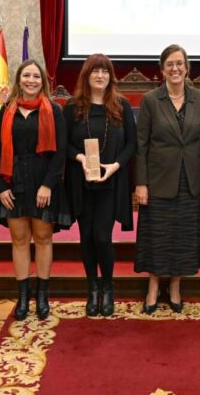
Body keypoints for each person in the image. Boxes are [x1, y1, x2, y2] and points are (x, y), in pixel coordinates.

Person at [134, 44, 200, 314]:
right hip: (158, 181)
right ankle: (154, 285)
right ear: (162, 69)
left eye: (180, 63)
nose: (175, 68)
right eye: (170, 64)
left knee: (183, 236)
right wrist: (141, 183)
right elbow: (141, 145)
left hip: (191, 181)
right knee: (157, 235)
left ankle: (176, 286)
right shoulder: (150, 100)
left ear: (187, 68)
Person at [0, 59, 70, 320]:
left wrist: (48, 185)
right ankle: (23, 296)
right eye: (27, 76)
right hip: (13, 182)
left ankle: (42, 295)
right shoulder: (7, 110)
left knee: (43, 238)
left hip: (43, 183)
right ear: (19, 79)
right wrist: (1, 186)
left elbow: (60, 152)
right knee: (19, 239)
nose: (31, 80)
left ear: (42, 81)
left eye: (36, 76)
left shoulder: (54, 110)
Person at [64, 54, 136, 317]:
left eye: (105, 71)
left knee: (102, 237)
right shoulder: (72, 107)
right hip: (81, 182)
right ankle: (92, 289)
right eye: (95, 71)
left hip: (110, 182)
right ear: (86, 75)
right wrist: (80, 158)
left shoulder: (121, 106)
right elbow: (64, 144)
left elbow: (132, 144)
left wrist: (115, 165)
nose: (100, 75)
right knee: (86, 238)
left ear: (110, 77)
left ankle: (108, 287)